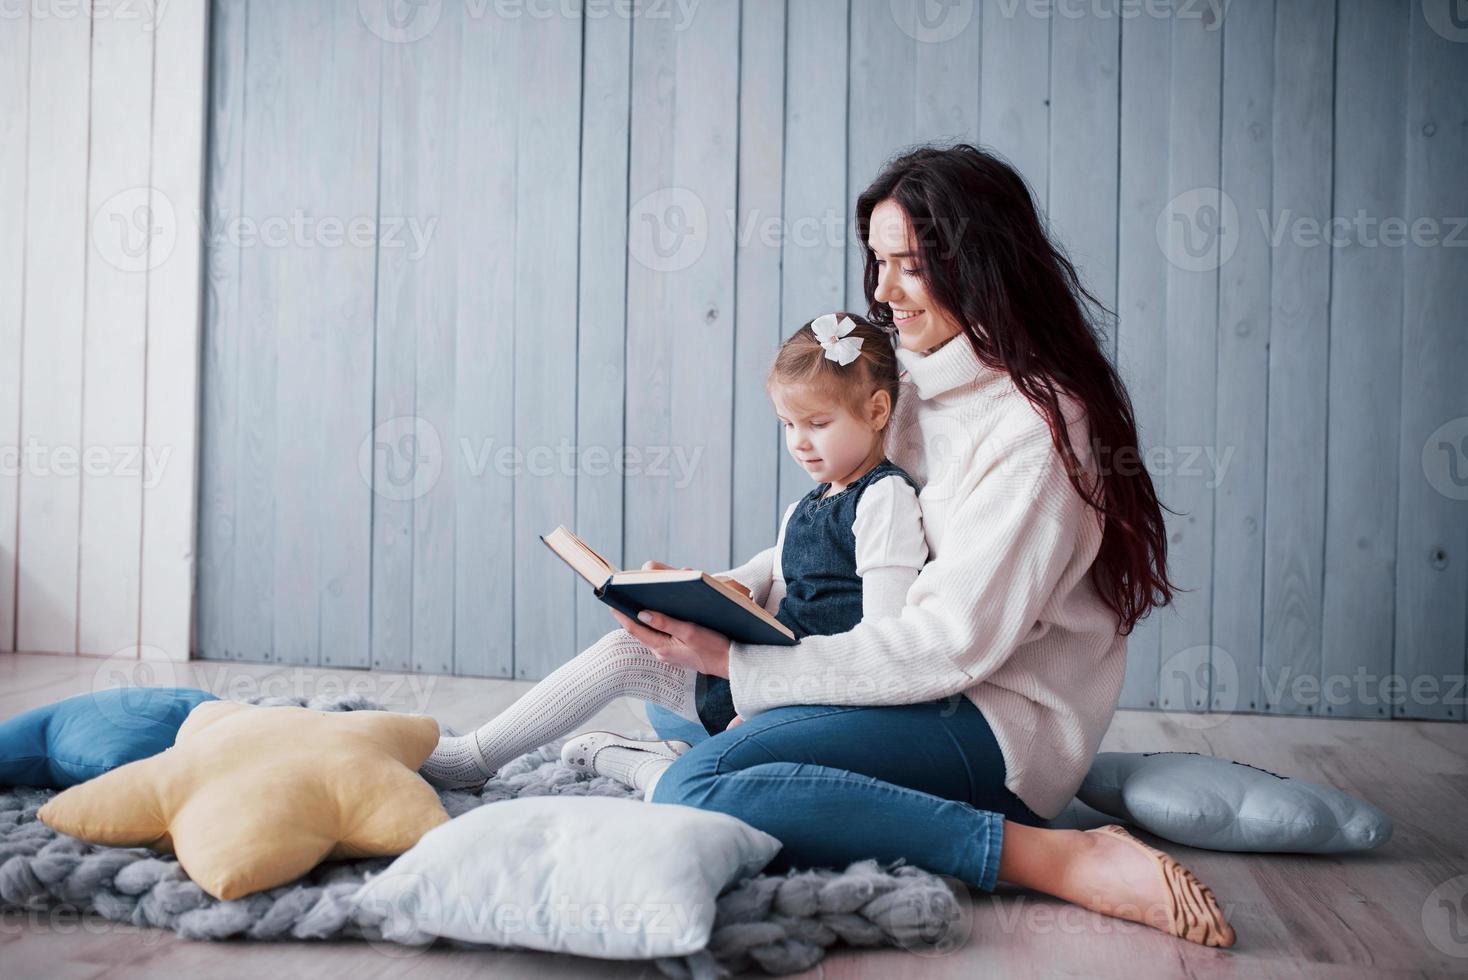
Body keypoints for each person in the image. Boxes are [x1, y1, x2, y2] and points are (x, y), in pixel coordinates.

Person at [584, 144, 1235, 948]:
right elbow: (845, 532)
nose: (884, 292)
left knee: (699, 783)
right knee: (668, 693)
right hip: (911, 678)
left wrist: (744, 665)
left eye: (911, 266)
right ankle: (777, 775)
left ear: (981, 266)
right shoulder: (910, 377)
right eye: (879, 262)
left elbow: (948, 644)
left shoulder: (1036, 429)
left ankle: (1046, 856)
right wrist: (723, 592)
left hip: (990, 718)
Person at [418, 311, 929, 797]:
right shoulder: (812, 502)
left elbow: (883, 637)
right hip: (758, 681)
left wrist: (772, 703)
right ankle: (475, 758)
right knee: (625, 653)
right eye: (787, 425)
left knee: (730, 783)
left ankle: (644, 763)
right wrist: (691, 590)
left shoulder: (883, 497)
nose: (799, 443)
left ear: (877, 410)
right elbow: (772, 569)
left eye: (817, 423)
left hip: (813, 697)